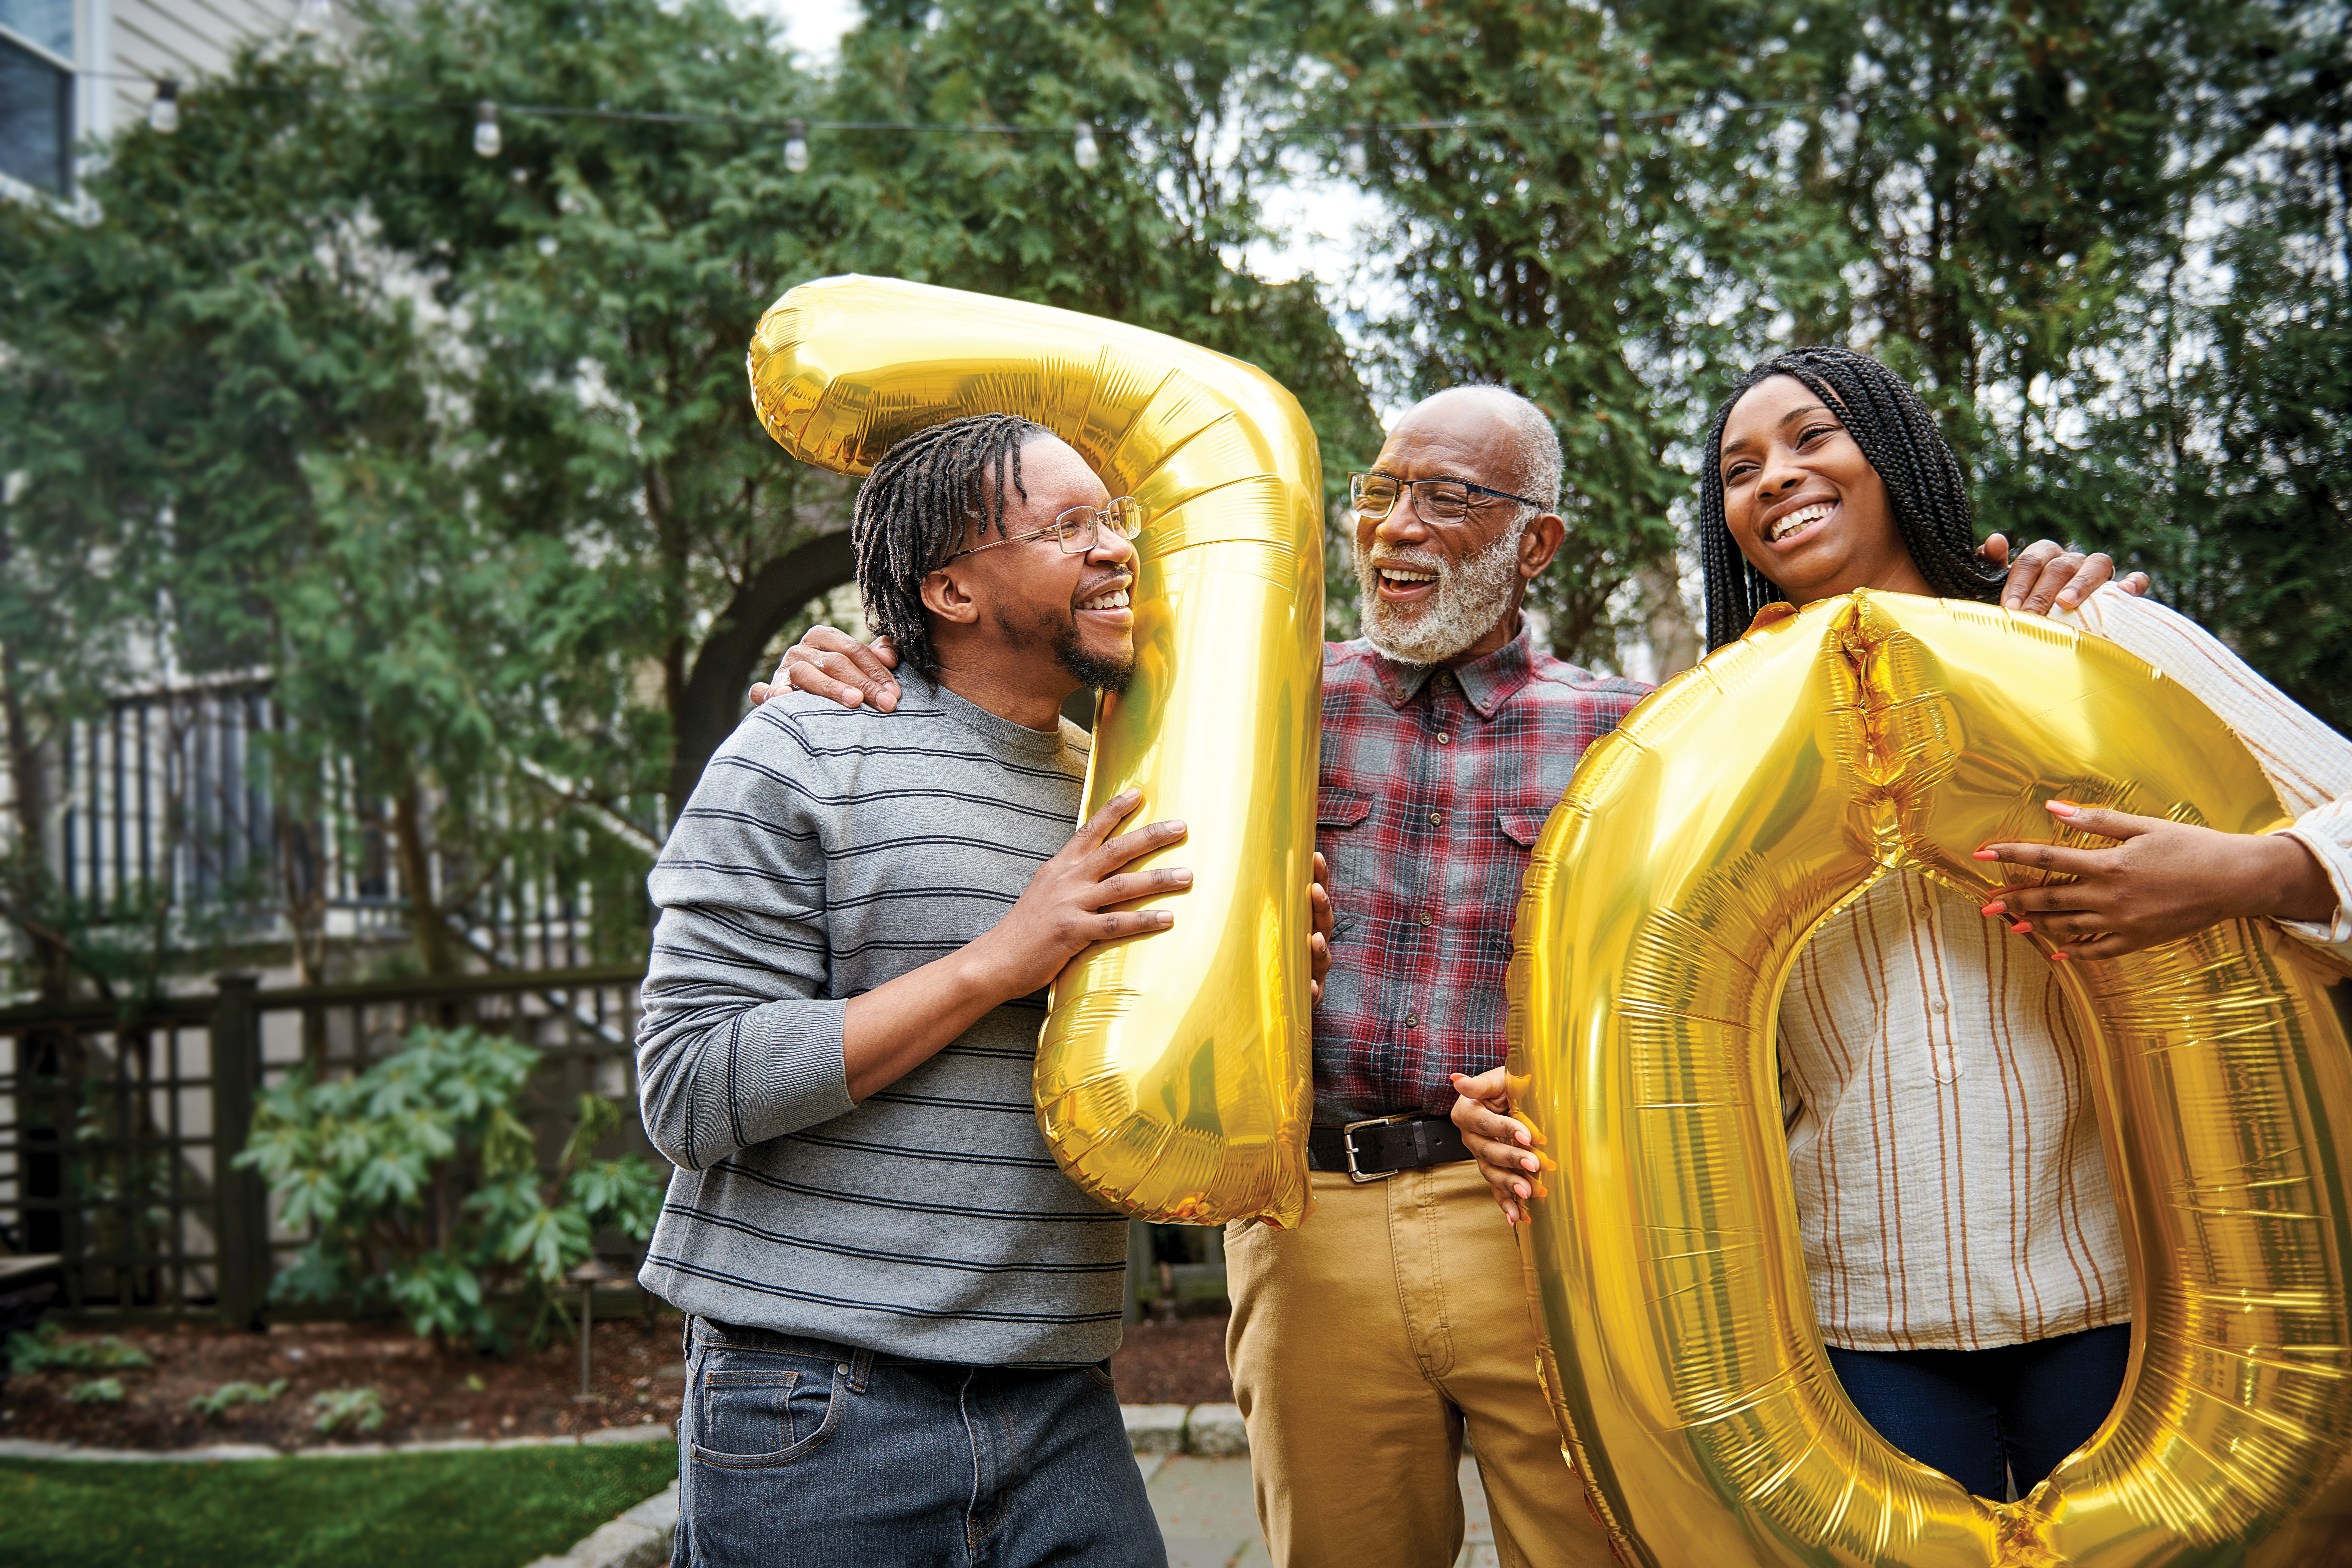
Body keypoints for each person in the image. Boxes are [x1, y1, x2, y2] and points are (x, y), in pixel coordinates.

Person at [765, 385, 2130, 1564]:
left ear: (1537, 542)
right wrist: (854, 659)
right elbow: (1014, 687)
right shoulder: (1252, 701)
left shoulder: (1636, 731)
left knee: (1596, 1543)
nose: (1395, 527)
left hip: (1545, 1218)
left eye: (1449, 498)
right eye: (1379, 494)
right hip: (1310, 1217)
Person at [1454, 345, 2352, 1504]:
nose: (1776, 477)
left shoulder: (2089, 637)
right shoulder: (1713, 749)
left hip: (2129, 1297)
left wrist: (2246, 871)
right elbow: (1681, 1035)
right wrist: (1538, 1103)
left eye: (1811, 437)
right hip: (1857, 1321)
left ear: (1895, 455)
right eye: (1740, 469)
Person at [637, 413, 1198, 1568]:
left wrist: (1254, 983)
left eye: (1116, 519)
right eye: (1070, 526)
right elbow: (686, 1087)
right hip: (817, 1398)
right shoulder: (801, 748)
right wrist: (1002, 957)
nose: (1118, 549)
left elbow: (1148, 1098)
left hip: (1062, 1396)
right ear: (951, 590)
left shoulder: (1123, 793)